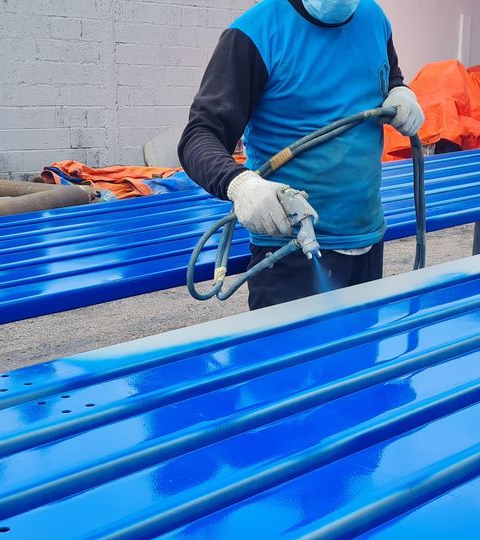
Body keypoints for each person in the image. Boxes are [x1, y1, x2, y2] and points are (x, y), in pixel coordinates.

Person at [178, 0, 424, 310]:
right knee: (293, 357)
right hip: (289, 252)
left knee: (359, 355)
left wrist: (401, 91)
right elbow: (199, 136)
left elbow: (387, 77)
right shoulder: (255, 32)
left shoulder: (373, 18)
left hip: (366, 238)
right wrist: (242, 186)